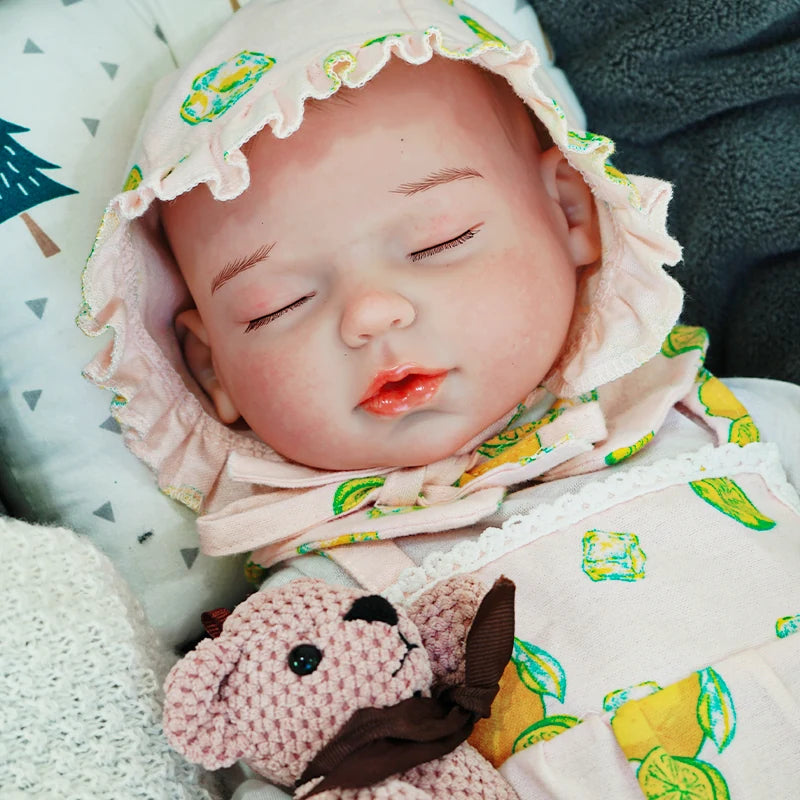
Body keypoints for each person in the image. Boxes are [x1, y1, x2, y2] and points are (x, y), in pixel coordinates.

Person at [79, 0, 800, 797]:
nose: (371, 314)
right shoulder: (315, 618)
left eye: (437, 243)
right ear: (213, 371)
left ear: (569, 211)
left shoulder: (724, 422)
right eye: (276, 305)